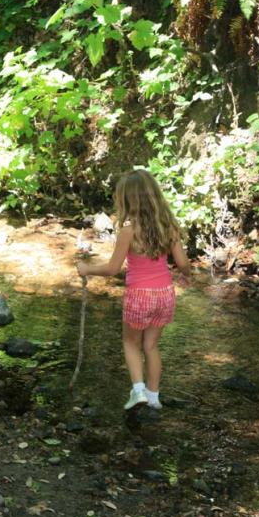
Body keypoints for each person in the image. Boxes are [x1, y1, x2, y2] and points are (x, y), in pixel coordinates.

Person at [77, 169, 191, 410]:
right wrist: (184, 274)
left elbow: (112, 268)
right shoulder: (169, 226)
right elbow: (182, 263)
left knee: (131, 343)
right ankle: (154, 397)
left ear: (127, 199)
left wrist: (87, 269)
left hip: (139, 295)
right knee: (151, 346)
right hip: (164, 295)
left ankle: (138, 390)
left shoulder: (128, 229)